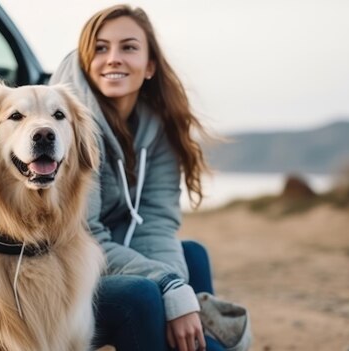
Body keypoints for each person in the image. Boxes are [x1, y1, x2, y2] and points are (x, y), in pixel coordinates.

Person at [50, 5, 226, 351]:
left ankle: (204, 339)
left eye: (128, 47)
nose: (113, 58)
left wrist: (177, 292)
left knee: (193, 255)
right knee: (144, 293)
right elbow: (81, 237)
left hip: (108, 257)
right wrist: (166, 284)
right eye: (100, 48)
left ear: (149, 66)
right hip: (59, 270)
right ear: (86, 61)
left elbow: (155, 222)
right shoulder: (64, 126)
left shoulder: (157, 127)